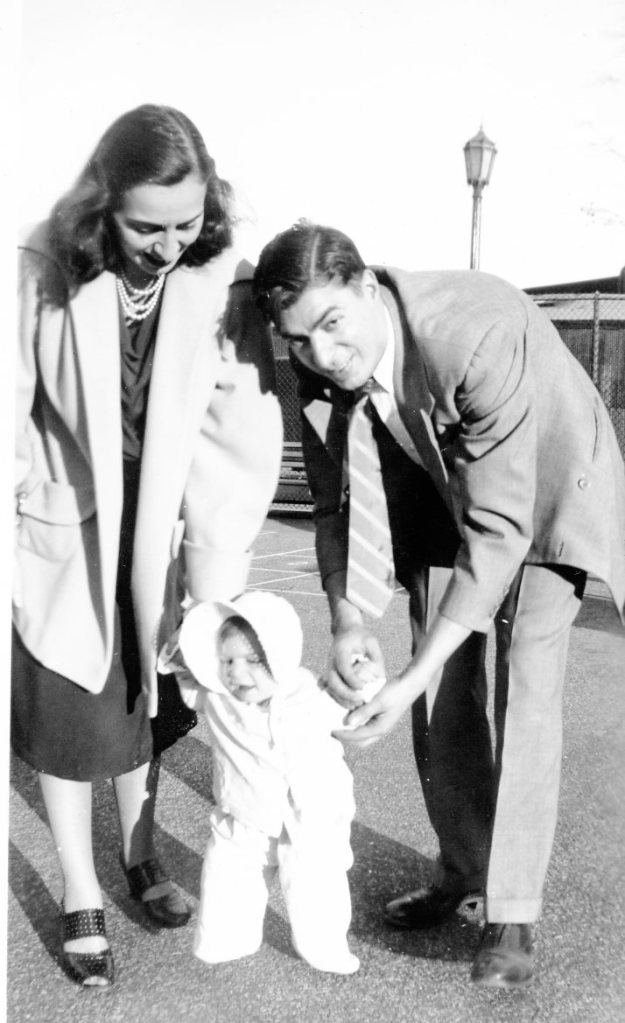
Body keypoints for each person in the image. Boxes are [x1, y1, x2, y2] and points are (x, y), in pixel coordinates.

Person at [252, 222, 625, 990]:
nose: (321, 355)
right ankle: (462, 867)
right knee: (441, 691)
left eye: (330, 325)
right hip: (444, 489)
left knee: (522, 680)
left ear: (365, 287)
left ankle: (511, 909)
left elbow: (501, 528)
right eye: (300, 339)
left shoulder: (473, 333)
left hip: (551, 488)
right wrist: (348, 619)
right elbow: (332, 506)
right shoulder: (321, 365)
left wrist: (410, 673)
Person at [13, 104, 282, 989]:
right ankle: (81, 892)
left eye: (188, 222)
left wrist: (211, 579)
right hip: (68, 525)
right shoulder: (40, 267)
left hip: (161, 528)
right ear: (101, 206)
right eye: (145, 225)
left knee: (148, 699)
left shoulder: (219, 279)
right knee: (72, 707)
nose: (170, 245)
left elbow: (237, 433)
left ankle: (138, 854)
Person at [159, 590, 365, 974]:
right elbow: (178, 667)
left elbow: (353, 704)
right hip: (246, 812)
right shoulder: (216, 697)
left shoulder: (311, 693)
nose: (237, 672)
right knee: (228, 872)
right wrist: (182, 639)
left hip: (311, 814)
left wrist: (365, 681)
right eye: (227, 661)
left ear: (281, 654)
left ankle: (324, 946)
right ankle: (227, 939)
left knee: (317, 882)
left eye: (253, 660)